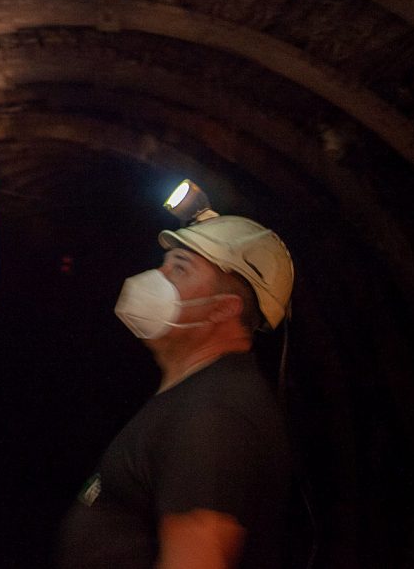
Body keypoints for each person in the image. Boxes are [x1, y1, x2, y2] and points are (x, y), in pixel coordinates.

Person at [58, 214, 294, 569]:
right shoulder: (201, 393)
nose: (158, 277)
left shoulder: (217, 415)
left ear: (223, 308)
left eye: (180, 269)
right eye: (164, 264)